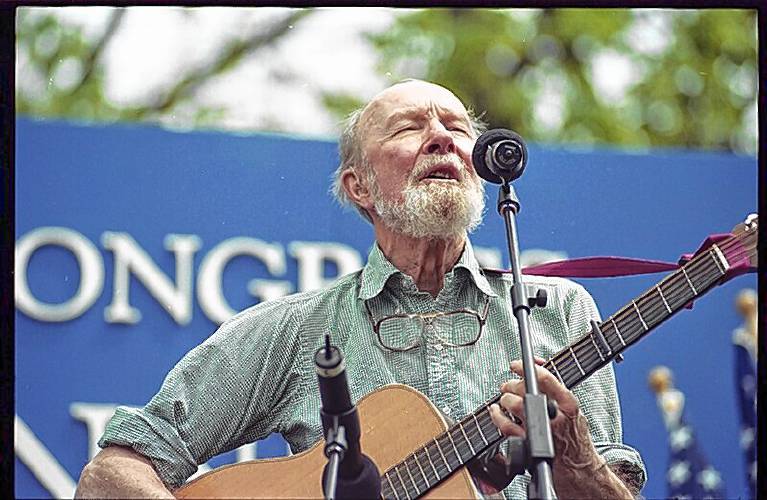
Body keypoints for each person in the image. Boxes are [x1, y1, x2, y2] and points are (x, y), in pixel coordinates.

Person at [75, 79, 646, 499]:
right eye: (410, 128)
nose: (442, 139)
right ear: (359, 187)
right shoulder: (300, 329)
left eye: (457, 127)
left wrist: (576, 457)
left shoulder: (559, 312)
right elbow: (110, 474)